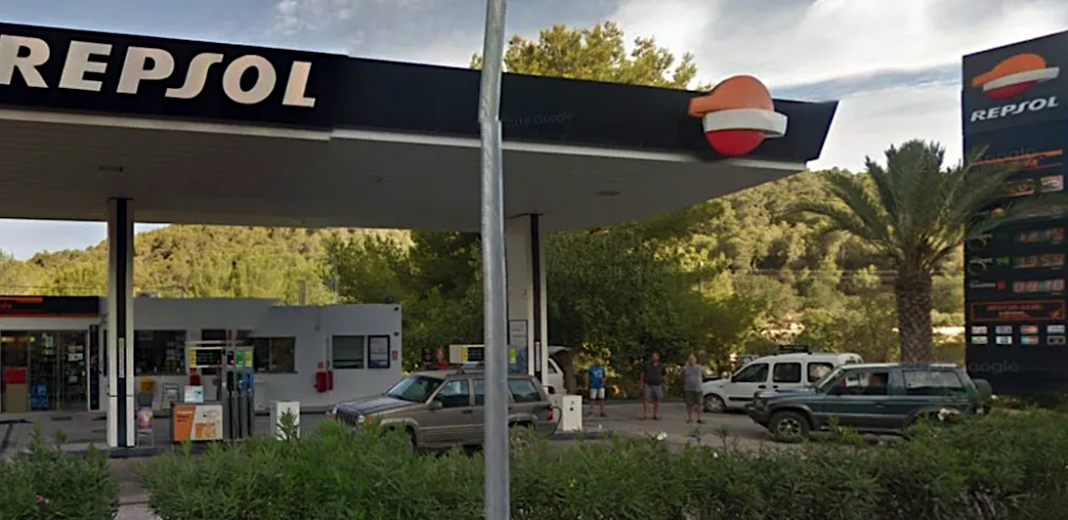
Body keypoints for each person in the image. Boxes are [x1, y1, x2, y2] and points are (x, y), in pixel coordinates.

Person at [640, 351, 666, 420]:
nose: (654, 358)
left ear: (658, 357)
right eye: (653, 356)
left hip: (657, 384)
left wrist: (663, 382)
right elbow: (642, 373)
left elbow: (663, 375)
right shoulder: (647, 364)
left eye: (656, 356)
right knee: (646, 398)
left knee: (657, 399)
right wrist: (641, 383)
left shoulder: (661, 366)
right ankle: (645, 414)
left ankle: (655, 414)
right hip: (648, 384)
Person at [682, 353, 705, 424]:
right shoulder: (685, 368)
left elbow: (703, 376)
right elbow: (683, 377)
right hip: (688, 388)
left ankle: (700, 418)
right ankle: (689, 418)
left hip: (698, 388)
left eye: (692, 359)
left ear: (695, 359)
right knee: (689, 404)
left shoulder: (700, 368)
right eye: (690, 359)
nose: (691, 361)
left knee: (700, 404)